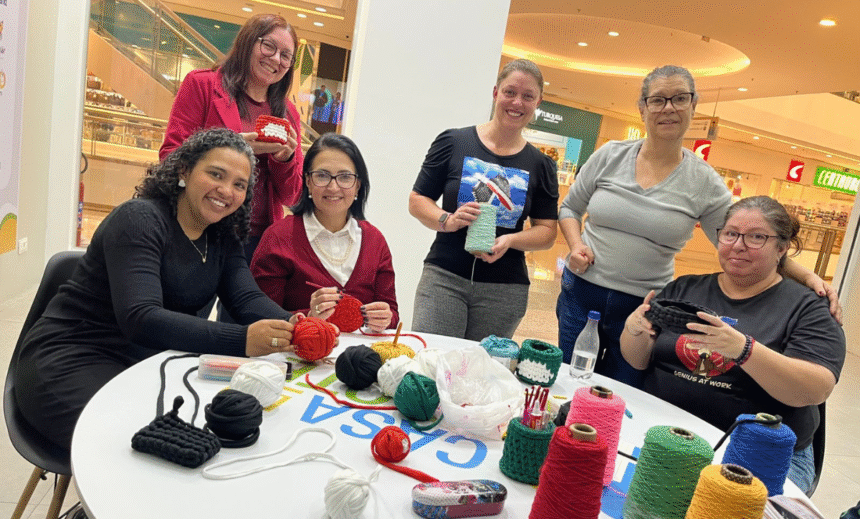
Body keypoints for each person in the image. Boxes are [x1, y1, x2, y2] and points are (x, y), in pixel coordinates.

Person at [16, 128, 298, 457]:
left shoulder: (222, 235)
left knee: (211, 437)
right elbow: (141, 318)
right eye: (216, 174)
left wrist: (297, 325)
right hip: (71, 359)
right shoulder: (139, 219)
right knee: (150, 450)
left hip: (149, 364)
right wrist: (243, 340)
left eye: (239, 184)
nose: (226, 190)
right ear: (184, 171)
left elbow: (246, 299)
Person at [557, 65, 839, 387]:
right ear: (642, 107)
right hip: (581, 291)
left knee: (620, 390)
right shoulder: (610, 155)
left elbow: (742, 242)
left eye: (679, 98)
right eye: (658, 99)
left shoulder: (705, 182)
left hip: (645, 305)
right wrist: (576, 245)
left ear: (693, 106)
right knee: (568, 379)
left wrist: (809, 278)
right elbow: (570, 208)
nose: (668, 108)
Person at [620, 196, 845, 494]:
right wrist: (633, 329)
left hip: (759, 454)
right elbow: (638, 359)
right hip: (665, 432)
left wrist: (744, 350)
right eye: (730, 234)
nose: (738, 245)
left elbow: (814, 389)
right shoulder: (684, 288)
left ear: (782, 248)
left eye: (756, 237)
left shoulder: (808, 308)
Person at [408, 59, 558, 341]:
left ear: (538, 102)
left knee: (482, 366)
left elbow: (547, 232)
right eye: (510, 92)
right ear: (496, 92)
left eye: (528, 96)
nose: (517, 102)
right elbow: (417, 200)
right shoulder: (454, 142)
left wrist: (510, 240)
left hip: (504, 288)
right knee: (432, 359)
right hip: (444, 277)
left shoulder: (541, 165)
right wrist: (447, 220)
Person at [160, 14, 302, 263]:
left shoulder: (288, 114)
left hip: (257, 240)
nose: (275, 59)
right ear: (248, 41)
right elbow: (170, 157)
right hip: (199, 227)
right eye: (269, 46)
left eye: (286, 55)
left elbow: (292, 196)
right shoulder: (202, 85)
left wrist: (284, 160)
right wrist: (232, 147)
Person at [251, 133, 398, 333]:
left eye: (345, 177)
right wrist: (309, 316)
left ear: (358, 185)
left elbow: (392, 315)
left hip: (361, 352)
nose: (333, 187)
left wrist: (385, 318)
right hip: (297, 351)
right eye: (322, 175)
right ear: (307, 181)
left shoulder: (375, 241)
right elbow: (259, 318)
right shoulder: (279, 237)